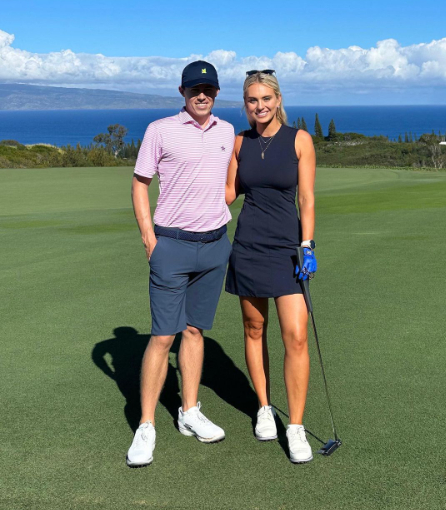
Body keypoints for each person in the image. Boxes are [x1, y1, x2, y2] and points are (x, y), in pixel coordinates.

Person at [126, 61, 235, 467]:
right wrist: (149, 238)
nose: (201, 95)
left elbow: (228, 184)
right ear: (182, 92)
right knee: (162, 336)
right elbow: (140, 183)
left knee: (194, 330)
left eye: (207, 88)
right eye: (194, 89)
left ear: (217, 92)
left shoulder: (226, 132)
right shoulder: (160, 130)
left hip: (214, 246)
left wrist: (215, 211)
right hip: (170, 245)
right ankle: (147, 425)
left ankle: (189, 411)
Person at [225, 70, 317, 464]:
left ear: (277, 99)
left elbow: (307, 200)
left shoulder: (300, 140)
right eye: (251, 100)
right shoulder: (238, 142)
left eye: (265, 98)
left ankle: (294, 427)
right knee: (254, 327)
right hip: (247, 247)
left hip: (287, 250)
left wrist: (307, 244)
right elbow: (228, 194)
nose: (259, 106)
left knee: (295, 335)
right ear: (245, 104)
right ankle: (264, 407)